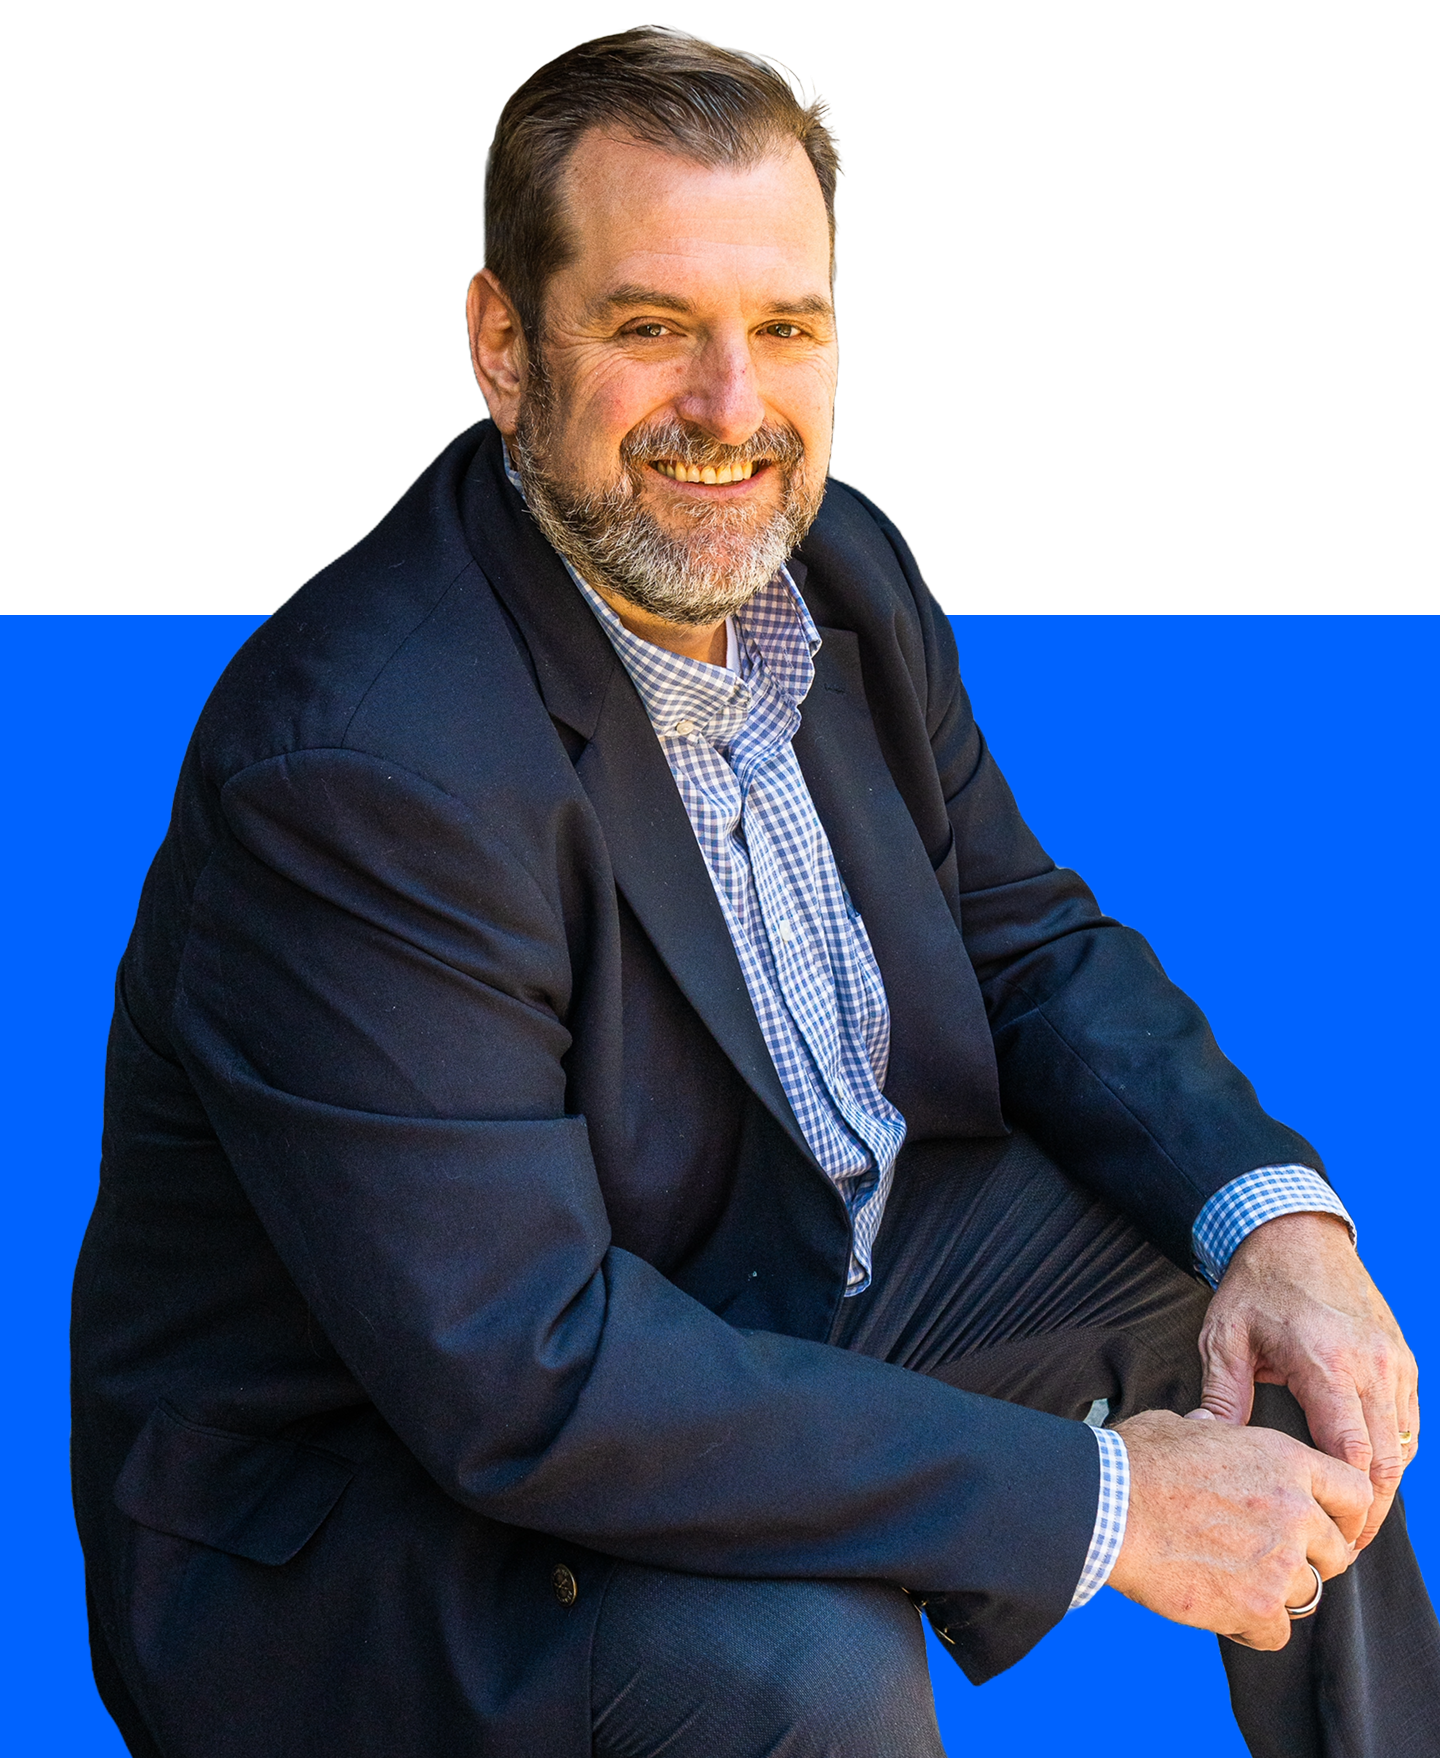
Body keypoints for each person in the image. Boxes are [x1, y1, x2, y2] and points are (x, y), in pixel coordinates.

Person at [72, 25, 1436, 1758]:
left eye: (783, 327)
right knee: (796, 1662)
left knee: (1278, 1362)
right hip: (378, 1516)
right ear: (504, 345)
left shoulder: (847, 569)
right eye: (651, 328)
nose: (733, 409)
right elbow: (531, 1366)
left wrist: (1283, 1223)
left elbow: (1023, 946)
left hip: (744, 1276)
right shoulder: (359, 765)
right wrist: (1108, 1502)